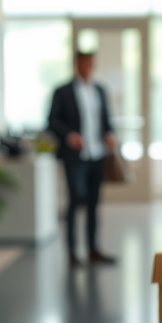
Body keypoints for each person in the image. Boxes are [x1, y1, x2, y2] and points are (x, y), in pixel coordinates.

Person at [48, 50, 117, 266]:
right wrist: (69, 135)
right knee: (75, 199)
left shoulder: (100, 90)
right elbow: (52, 121)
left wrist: (109, 134)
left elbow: (106, 120)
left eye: (91, 63)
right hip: (75, 156)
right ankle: (71, 251)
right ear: (76, 64)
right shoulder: (62, 91)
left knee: (94, 203)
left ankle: (93, 249)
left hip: (97, 154)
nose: (88, 67)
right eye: (84, 63)